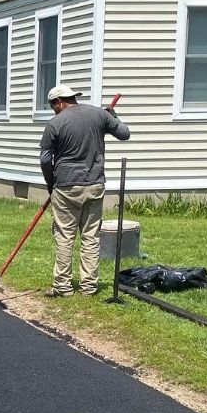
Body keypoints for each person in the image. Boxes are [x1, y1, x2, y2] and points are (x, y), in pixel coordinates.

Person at [39, 85, 130, 298]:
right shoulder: (99, 114)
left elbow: (45, 159)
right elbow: (124, 133)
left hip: (66, 186)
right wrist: (112, 116)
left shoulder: (55, 123)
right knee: (90, 236)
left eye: (53, 106)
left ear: (59, 102)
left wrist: (51, 183)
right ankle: (89, 287)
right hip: (95, 184)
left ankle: (63, 286)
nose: (53, 110)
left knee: (64, 235)